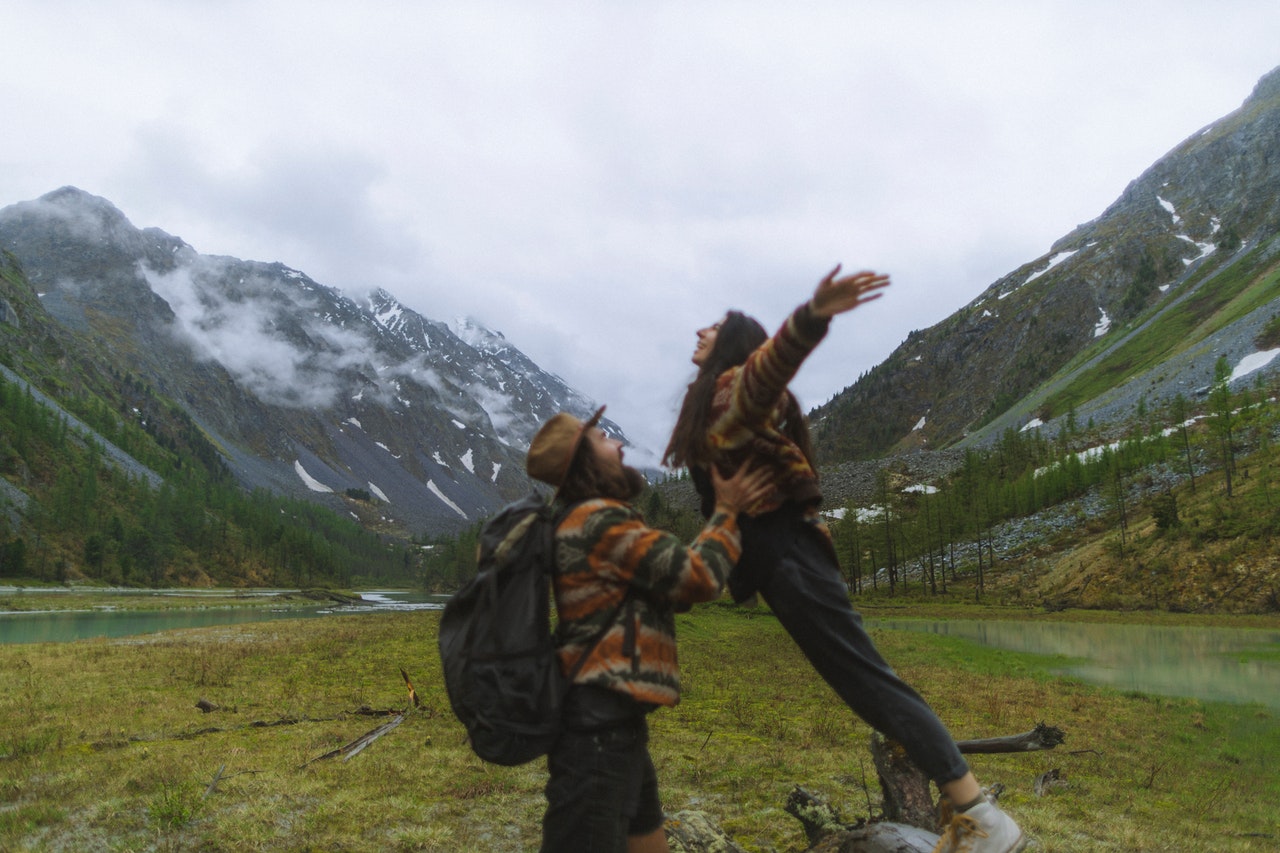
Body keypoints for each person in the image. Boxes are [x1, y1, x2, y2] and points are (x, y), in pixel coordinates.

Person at [663, 265, 1029, 853]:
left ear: (733, 345)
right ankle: (971, 815)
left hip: (790, 560)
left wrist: (812, 316)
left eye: (712, 326)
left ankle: (981, 817)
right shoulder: (714, 402)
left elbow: (767, 371)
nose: (698, 332)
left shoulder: (735, 386)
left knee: (871, 683)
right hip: (785, 560)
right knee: (864, 685)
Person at [527, 405, 770, 853]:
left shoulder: (592, 520)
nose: (618, 444)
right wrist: (729, 511)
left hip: (615, 727)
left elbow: (675, 588)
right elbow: (697, 578)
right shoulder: (598, 520)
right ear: (583, 461)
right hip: (597, 730)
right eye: (603, 439)